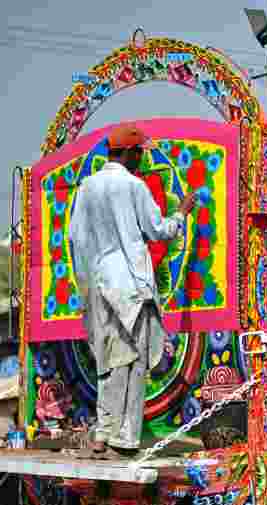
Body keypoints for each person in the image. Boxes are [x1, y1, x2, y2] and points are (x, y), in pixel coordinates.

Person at [69, 123, 197, 459]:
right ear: (129, 152)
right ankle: (125, 441)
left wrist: (87, 286)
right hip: (129, 287)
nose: (141, 159)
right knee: (135, 362)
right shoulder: (132, 186)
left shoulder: (87, 187)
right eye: (139, 153)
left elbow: (75, 238)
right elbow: (158, 231)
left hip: (97, 286)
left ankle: (101, 436)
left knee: (110, 364)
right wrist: (181, 213)